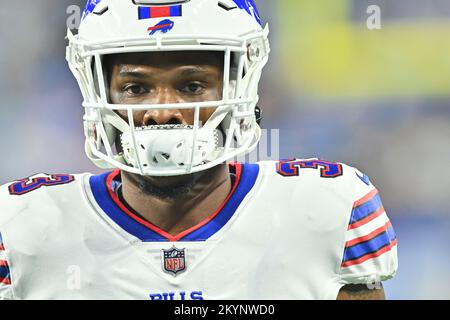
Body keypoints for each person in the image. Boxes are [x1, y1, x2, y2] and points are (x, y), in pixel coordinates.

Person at [0, 0, 397, 300]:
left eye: (191, 86)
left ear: (241, 86)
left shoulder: (329, 209)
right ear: (98, 92)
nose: (164, 110)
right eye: (137, 88)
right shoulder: (23, 230)